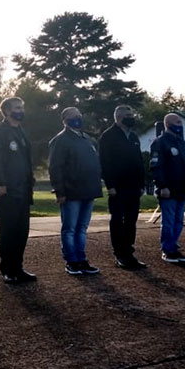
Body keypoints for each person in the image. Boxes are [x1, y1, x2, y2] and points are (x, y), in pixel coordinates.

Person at [0, 96, 37, 284]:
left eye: (22, 107)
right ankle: (7, 269)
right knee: (8, 231)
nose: (21, 110)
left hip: (23, 190)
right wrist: (0, 183)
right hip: (7, 190)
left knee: (21, 231)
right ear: (7, 111)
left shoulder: (21, 131)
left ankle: (18, 267)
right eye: (17, 107)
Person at [48, 107, 104, 275]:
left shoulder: (87, 139)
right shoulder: (60, 140)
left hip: (89, 190)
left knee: (82, 228)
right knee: (70, 228)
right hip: (71, 192)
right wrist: (60, 191)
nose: (78, 118)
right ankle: (72, 260)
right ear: (64, 119)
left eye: (79, 115)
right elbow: (55, 167)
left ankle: (81, 259)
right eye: (73, 116)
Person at [98, 105, 147, 269]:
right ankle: (120, 254)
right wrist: (110, 185)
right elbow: (105, 162)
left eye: (132, 114)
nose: (131, 117)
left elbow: (139, 161)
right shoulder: (108, 136)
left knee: (131, 221)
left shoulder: (133, 137)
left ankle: (129, 253)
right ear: (119, 118)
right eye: (128, 115)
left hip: (134, 187)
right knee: (118, 220)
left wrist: (141, 184)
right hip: (118, 187)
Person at [150, 113, 185, 263]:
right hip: (168, 190)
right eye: (177, 121)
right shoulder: (160, 142)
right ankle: (167, 250)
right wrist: (162, 186)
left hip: (182, 189)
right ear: (168, 123)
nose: (180, 124)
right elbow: (156, 166)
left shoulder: (182, 142)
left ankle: (174, 248)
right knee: (168, 221)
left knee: (178, 221)